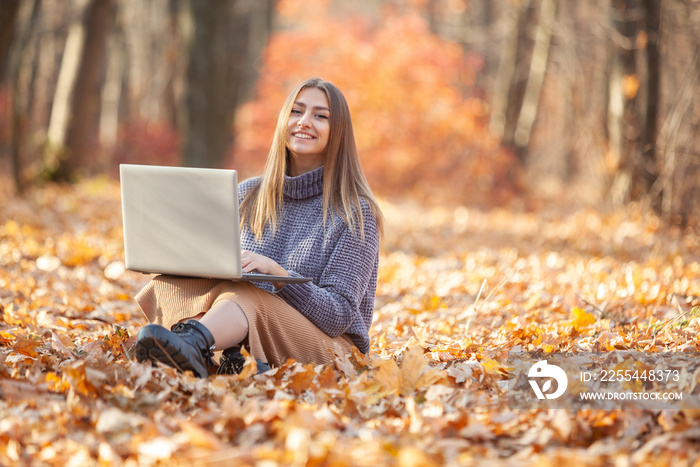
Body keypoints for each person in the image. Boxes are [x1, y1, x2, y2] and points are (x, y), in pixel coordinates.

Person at [132, 77, 384, 378]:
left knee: (248, 296)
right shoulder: (248, 194)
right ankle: (225, 356)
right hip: (253, 321)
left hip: (334, 350)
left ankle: (197, 345)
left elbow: (338, 316)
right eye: (296, 111)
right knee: (167, 284)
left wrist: (277, 275)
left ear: (339, 132)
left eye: (320, 116)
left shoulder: (356, 213)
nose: (304, 122)